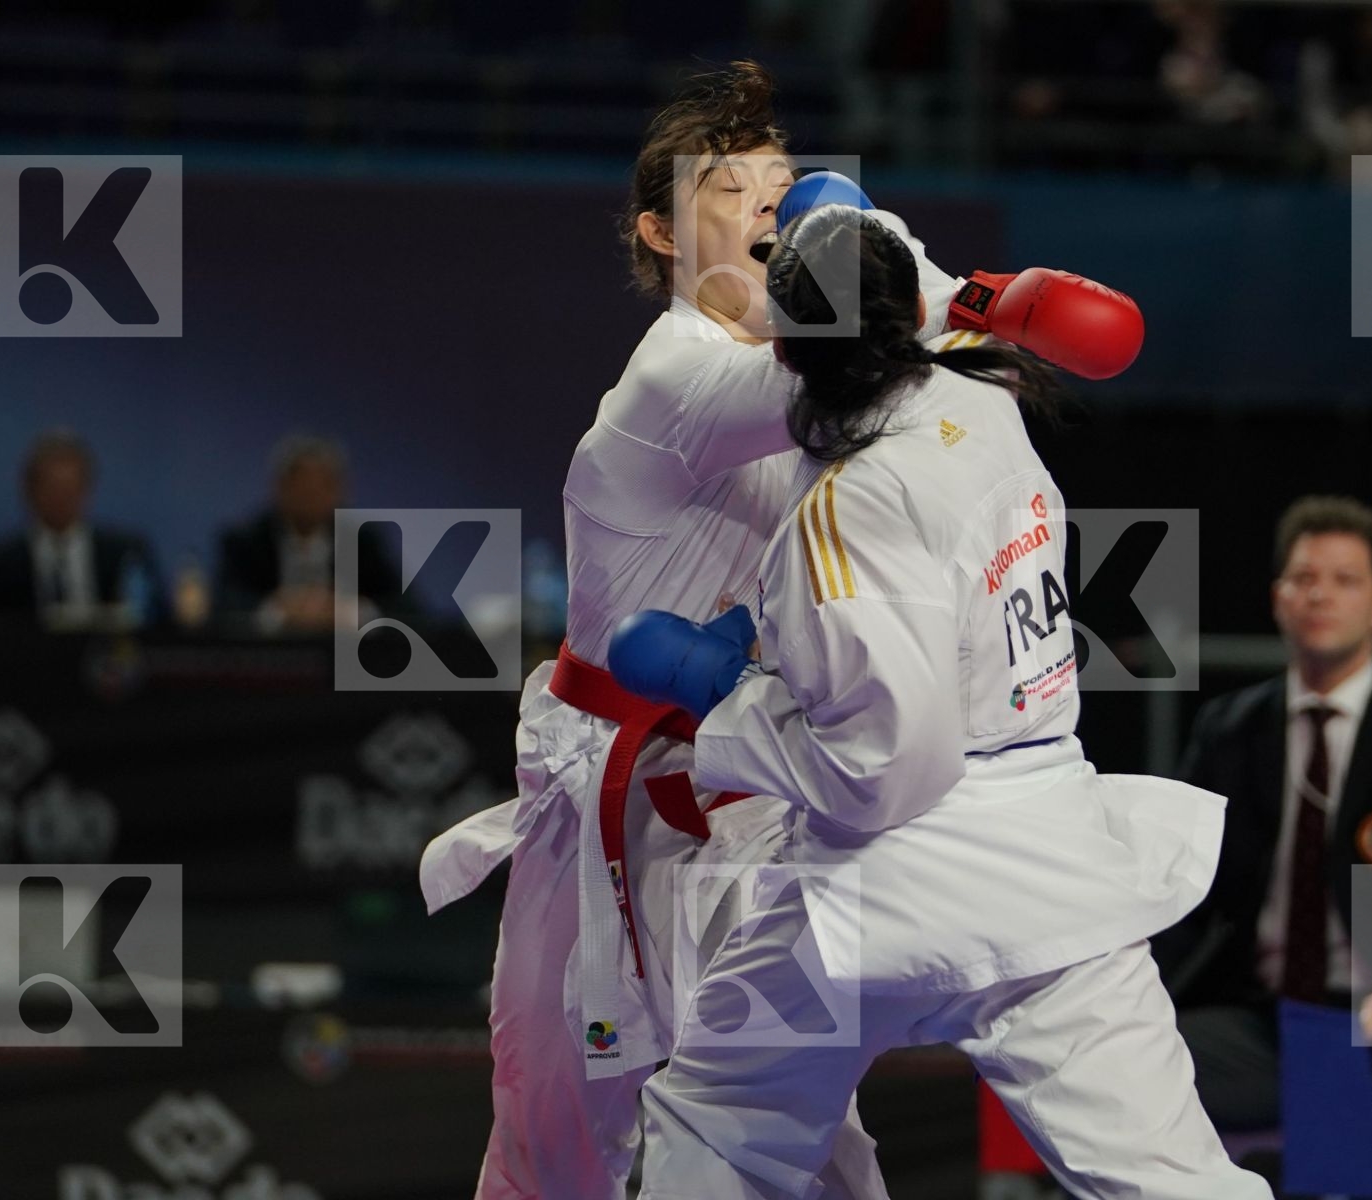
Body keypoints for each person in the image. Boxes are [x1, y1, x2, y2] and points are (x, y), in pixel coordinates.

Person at [418, 61, 1146, 1200]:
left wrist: (973, 297)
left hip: (759, 771)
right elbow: (865, 355)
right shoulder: (673, 382)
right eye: (730, 188)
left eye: (783, 182)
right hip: (613, 786)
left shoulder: (824, 352)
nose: (768, 198)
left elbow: (877, 350)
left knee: (787, 1128)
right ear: (661, 232)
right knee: (556, 1133)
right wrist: (989, 301)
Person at [610, 205, 1266, 1200]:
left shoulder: (847, 512)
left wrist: (724, 695)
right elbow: (911, 283)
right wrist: (856, 232)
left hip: (887, 889)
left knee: (717, 1122)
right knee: (1177, 1185)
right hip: (1054, 869)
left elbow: (885, 768)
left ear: (783, 355)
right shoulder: (979, 384)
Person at [1151, 494, 1372, 1200]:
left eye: (1345, 580)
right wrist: (1129, 989)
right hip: (1265, 1021)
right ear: (1278, 598)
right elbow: (1187, 888)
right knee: (1124, 1057)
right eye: (1303, 578)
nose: (1320, 595)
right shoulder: (1230, 730)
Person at [0, 429, 163, 624]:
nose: (61, 499)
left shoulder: (126, 555)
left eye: (70, 488)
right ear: (29, 490)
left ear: (87, 489)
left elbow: (155, 619)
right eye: (53, 488)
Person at [215, 434, 401, 632]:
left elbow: (404, 606)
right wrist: (276, 609)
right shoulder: (246, 540)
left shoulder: (363, 540)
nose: (310, 497)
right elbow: (224, 606)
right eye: (301, 487)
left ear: (340, 490)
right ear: (279, 487)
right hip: (267, 650)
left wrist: (351, 610)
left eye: (320, 487)